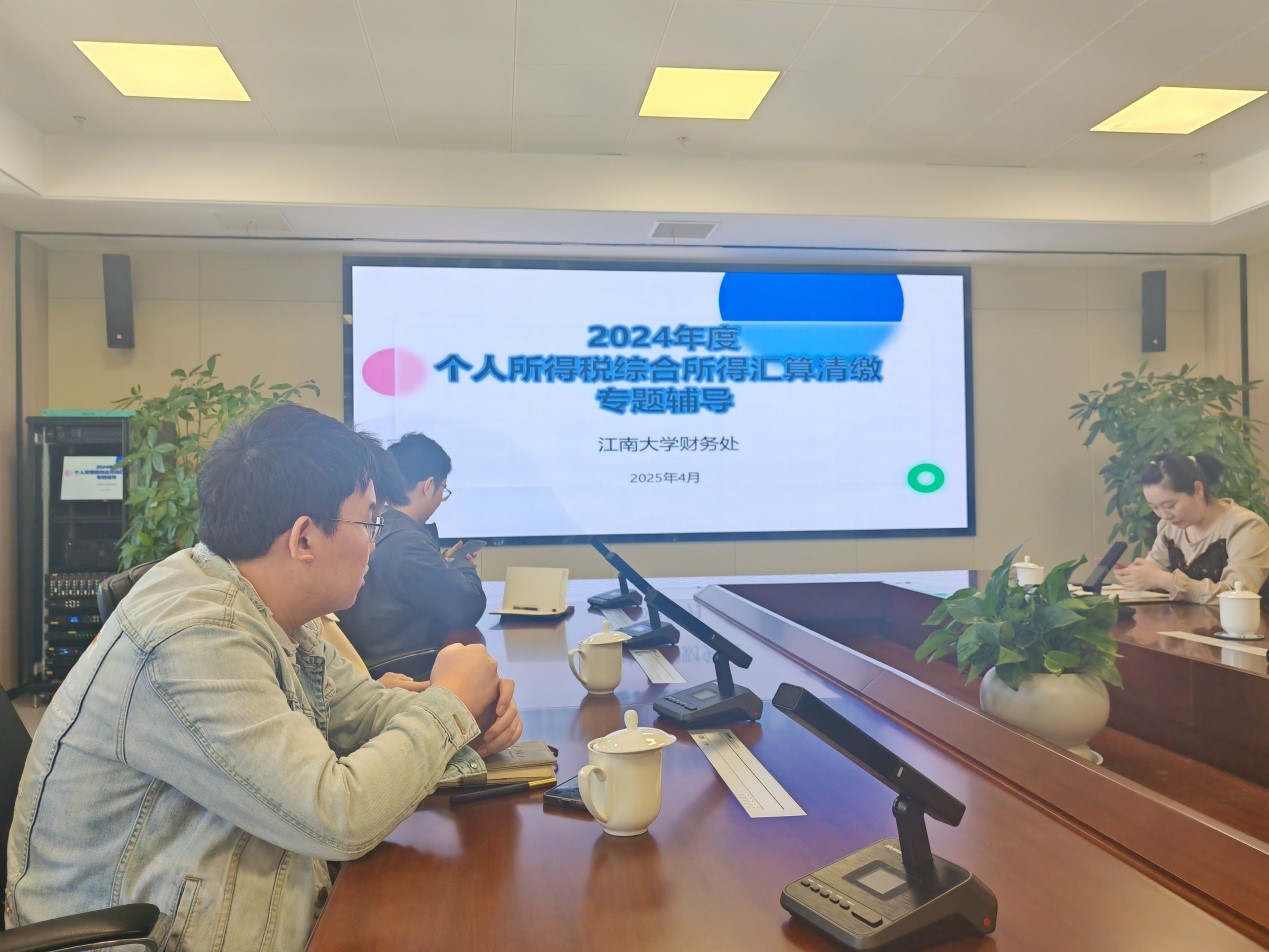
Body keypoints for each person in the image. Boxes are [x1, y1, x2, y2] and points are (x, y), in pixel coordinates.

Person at [6, 405, 521, 950]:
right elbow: (337, 818)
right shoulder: (197, 637)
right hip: (139, 937)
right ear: (304, 539)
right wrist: (448, 707)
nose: (376, 541)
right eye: (369, 520)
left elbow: (359, 712)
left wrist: (470, 715)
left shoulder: (270, 606)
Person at [339, 432, 487, 678]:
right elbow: (468, 606)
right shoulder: (408, 543)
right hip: (410, 674)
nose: (441, 498)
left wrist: (441, 564)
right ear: (428, 485)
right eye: (443, 489)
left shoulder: (381, 525)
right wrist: (463, 566)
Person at [1113, 451, 1269, 604]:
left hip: (1237, 621)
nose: (1164, 515)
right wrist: (1135, 577)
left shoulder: (1246, 526)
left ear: (1198, 490)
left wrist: (1167, 581)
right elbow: (1153, 570)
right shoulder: (1169, 527)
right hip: (1181, 620)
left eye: (1170, 505)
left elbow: (1240, 595)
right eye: (1155, 507)